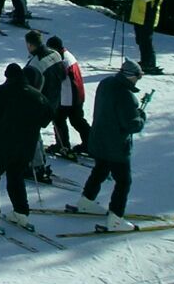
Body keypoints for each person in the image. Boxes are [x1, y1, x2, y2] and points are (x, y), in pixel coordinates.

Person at [0, 63, 55, 230]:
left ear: (8, 76)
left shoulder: (3, 91)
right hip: (26, 147)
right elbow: (47, 117)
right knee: (16, 177)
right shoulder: (37, 96)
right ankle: (21, 213)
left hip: (2, 145)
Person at [69, 61, 148, 232]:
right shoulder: (126, 96)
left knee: (101, 169)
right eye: (138, 76)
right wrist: (141, 116)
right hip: (116, 146)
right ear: (131, 75)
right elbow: (132, 125)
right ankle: (116, 218)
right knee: (123, 181)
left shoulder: (106, 83)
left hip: (98, 139)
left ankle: (86, 201)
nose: (138, 80)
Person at [25, 29, 65, 183]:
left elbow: (29, 87)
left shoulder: (35, 63)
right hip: (55, 102)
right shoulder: (55, 54)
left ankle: (37, 166)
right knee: (35, 132)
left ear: (29, 45)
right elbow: (62, 75)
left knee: (32, 132)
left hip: (40, 103)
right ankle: (40, 161)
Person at [46, 35, 91, 156]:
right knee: (77, 120)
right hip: (77, 95)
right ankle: (91, 144)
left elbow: (59, 77)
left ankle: (62, 145)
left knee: (59, 119)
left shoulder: (61, 59)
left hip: (68, 96)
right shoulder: (67, 55)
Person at [129, 0, 165, 75]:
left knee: (146, 41)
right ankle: (144, 61)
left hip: (148, 18)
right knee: (141, 40)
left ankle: (150, 64)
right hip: (139, 17)